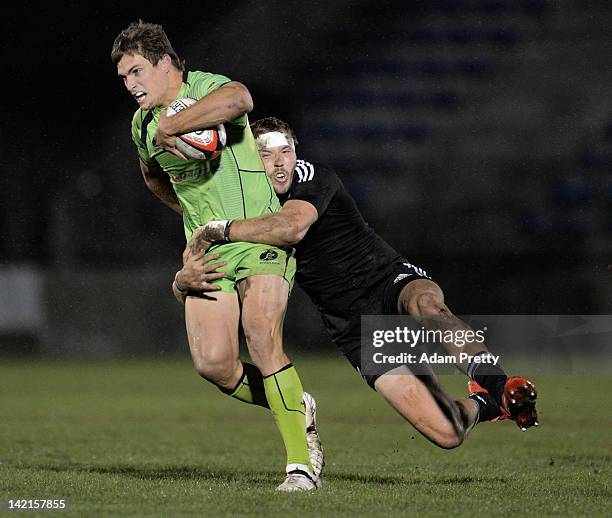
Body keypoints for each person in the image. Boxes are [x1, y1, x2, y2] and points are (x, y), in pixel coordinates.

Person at [177, 116, 539, 452]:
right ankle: (485, 403)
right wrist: (182, 280)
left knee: (427, 306)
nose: (279, 162)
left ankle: (499, 384)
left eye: (285, 150)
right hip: (354, 328)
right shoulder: (245, 205)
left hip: (385, 279)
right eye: (266, 154)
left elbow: (292, 227)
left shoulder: (310, 177)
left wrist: (218, 230)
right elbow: (200, 277)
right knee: (448, 433)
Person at [111, 23, 322, 491]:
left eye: (137, 71)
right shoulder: (141, 125)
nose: (131, 85)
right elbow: (152, 177)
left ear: (164, 62)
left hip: (260, 236)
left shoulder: (206, 88)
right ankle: (294, 402)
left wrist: (176, 124)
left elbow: (242, 99)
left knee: (261, 338)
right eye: (124, 78)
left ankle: (299, 467)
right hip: (207, 248)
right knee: (214, 365)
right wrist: (187, 214)